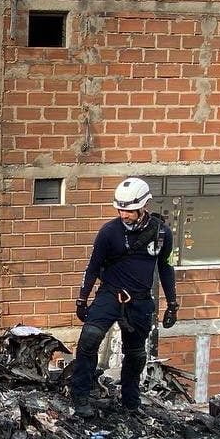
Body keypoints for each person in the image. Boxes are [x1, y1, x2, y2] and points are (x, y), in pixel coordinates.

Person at [70, 177, 180, 413]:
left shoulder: (162, 234)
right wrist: (82, 299)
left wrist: (172, 304)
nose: (124, 215)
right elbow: (92, 267)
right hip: (109, 294)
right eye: (120, 209)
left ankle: (131, 403)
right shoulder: (109, 232)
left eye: (129, 210)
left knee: (136, 354)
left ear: (144, 206)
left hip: (140, 300)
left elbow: (166, 268)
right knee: (88, 341)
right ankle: (80, 398)